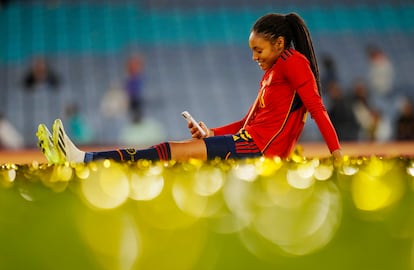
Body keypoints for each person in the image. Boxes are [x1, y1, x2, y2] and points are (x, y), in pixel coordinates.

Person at [36, 13, 342, 164]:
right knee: (171, 151)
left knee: (172, 151)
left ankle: (84, 159)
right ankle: (83, 159)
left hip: (257, 151)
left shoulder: (293, 63)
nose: (254, 57)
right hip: (247, 143)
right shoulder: (273, 72)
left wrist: (337, 155)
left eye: (258, 50)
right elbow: (247, 123)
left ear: (278, 43)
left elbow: (317, 109)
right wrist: (211, 133)